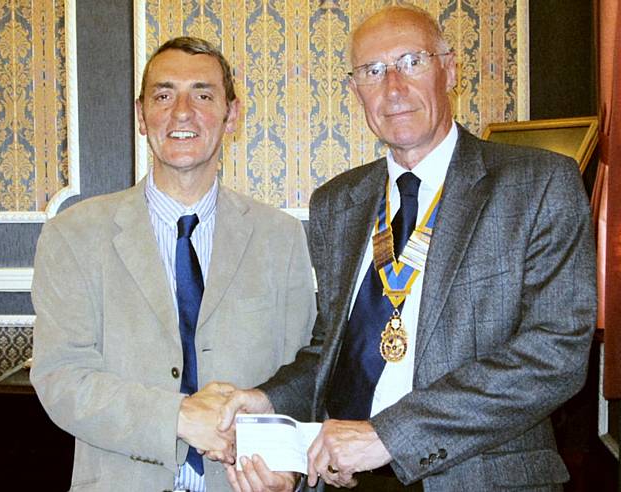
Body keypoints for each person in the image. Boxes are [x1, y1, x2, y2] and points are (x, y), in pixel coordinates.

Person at [220, 5, 597, 492]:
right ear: (356, 91)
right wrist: (267, 401)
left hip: (478, 477)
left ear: (450, 70)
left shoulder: (538, 184)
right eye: (373, 71)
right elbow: (331, 351)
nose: (393, 87)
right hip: (344, 477)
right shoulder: (338, 202)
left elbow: (555, 355)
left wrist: (390, 436)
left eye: (412, 62)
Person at [30, 36, 316, 492]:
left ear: (232, 114)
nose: (183, 112)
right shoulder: (74, 234)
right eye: (164, 96)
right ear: (142, 116)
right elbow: (62, 378)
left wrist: (293, 471)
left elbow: (303, 374)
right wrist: (179, 417)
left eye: (203, 95)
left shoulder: (280, 236)